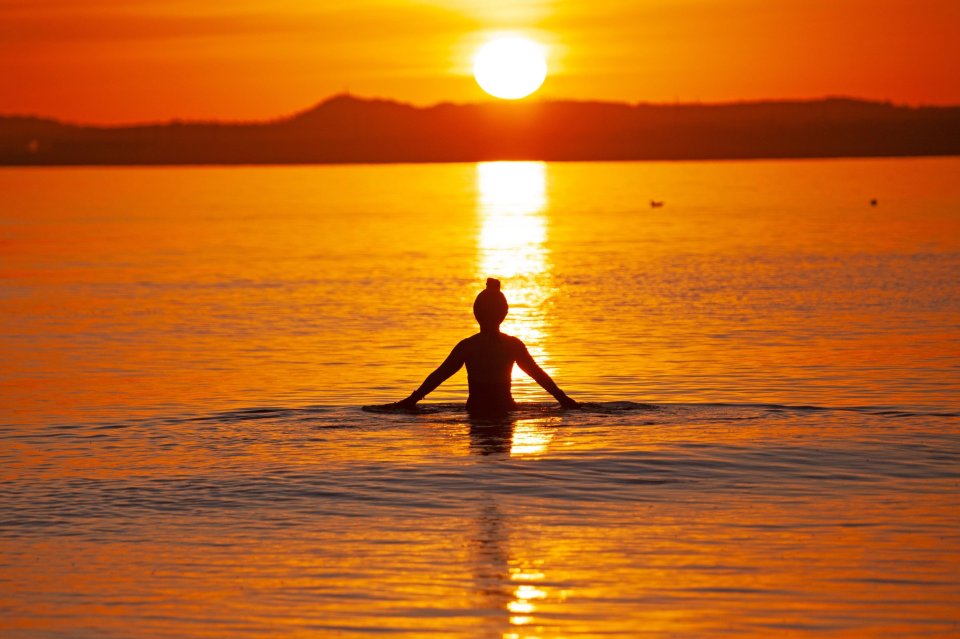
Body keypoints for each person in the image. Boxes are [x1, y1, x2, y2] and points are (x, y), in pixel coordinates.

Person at [385, 278, 580, 416]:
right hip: (506, 413)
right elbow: (539, 376)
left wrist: (411, 401)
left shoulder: (468, 346)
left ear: (476, 313)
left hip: (476, 414)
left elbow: (439, 376)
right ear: (504, 313)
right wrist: (564, 401)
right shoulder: (513, 345)